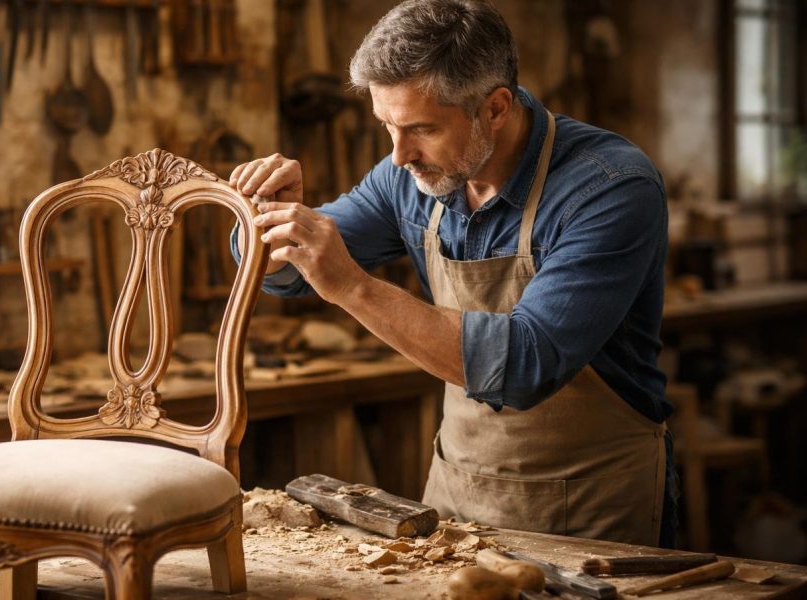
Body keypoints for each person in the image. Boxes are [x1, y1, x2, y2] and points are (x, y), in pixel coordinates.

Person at [230, 0, 677, 547]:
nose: (398, 156)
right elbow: (291, 277)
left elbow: (525, 366)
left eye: (421, 129)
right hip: (457, 495)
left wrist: (351, 286)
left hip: (596, 508)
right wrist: (266, 223)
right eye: (387, 126)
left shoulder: (609, 187)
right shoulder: (412, 177)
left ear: (494, 108)